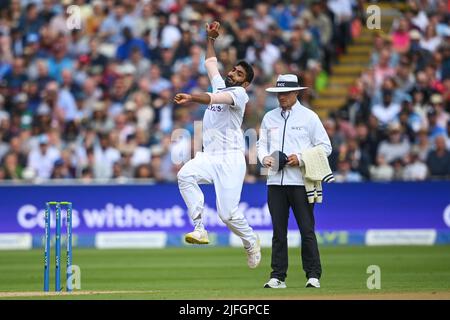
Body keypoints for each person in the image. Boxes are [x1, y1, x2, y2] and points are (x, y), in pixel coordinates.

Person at [173, 21, 261, 269]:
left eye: (239, 74)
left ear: (245, 84)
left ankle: (250, 240)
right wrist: (210, 39)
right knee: (184, 175)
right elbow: (210, 63)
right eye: (233, 70)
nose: (232, 73)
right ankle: (199, 228)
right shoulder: (222, 84)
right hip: (209, 155)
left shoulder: (239, 95)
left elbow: (212, 98)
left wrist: (191, 96)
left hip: (231, 159)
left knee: (227, 215)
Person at [257, 74, 332, 288]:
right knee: (278, 232)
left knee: (306, 229)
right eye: (279, 93)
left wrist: (299, 158)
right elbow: (262, 145)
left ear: (296, 93)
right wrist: (265, 158)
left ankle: (313, 275)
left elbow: (326, 147)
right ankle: (277, 276)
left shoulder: (309, 117)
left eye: (286, 93)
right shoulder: (269, 117)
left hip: (301, 182)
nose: (282, 97)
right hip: (274, 183)